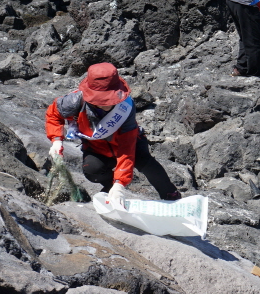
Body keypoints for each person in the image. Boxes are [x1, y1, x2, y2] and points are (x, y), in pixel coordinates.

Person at [45, 62, 181, 209]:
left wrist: (120, 182)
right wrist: (57, 140)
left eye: (109, 99)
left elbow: (127, 148)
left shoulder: (126, 108)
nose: (107, 104)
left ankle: (170, 194)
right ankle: (111, 189)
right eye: (101, 100)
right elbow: (53, 114)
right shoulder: (74, 101)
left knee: (146, 164)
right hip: (96, 146)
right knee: (92, 170)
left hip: (130, 143)